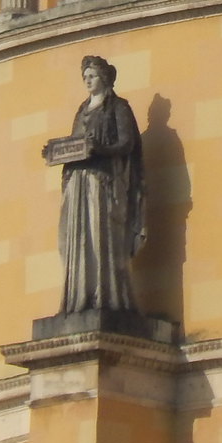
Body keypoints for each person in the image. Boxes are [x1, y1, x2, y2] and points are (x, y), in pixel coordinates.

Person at [57, 55, 145, 313]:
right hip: (80, 184)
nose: (87, 80)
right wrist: (57, 153)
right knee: (79, 236)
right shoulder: (82, 110)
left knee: (100, 234)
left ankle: (106, 294)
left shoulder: (118, 107)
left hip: (104, 182)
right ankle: (80, 295)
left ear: (104, 78)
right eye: (85, 77)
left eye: (92, 76)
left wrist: (100, 149)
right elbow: (74, 143)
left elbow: (127, 143)